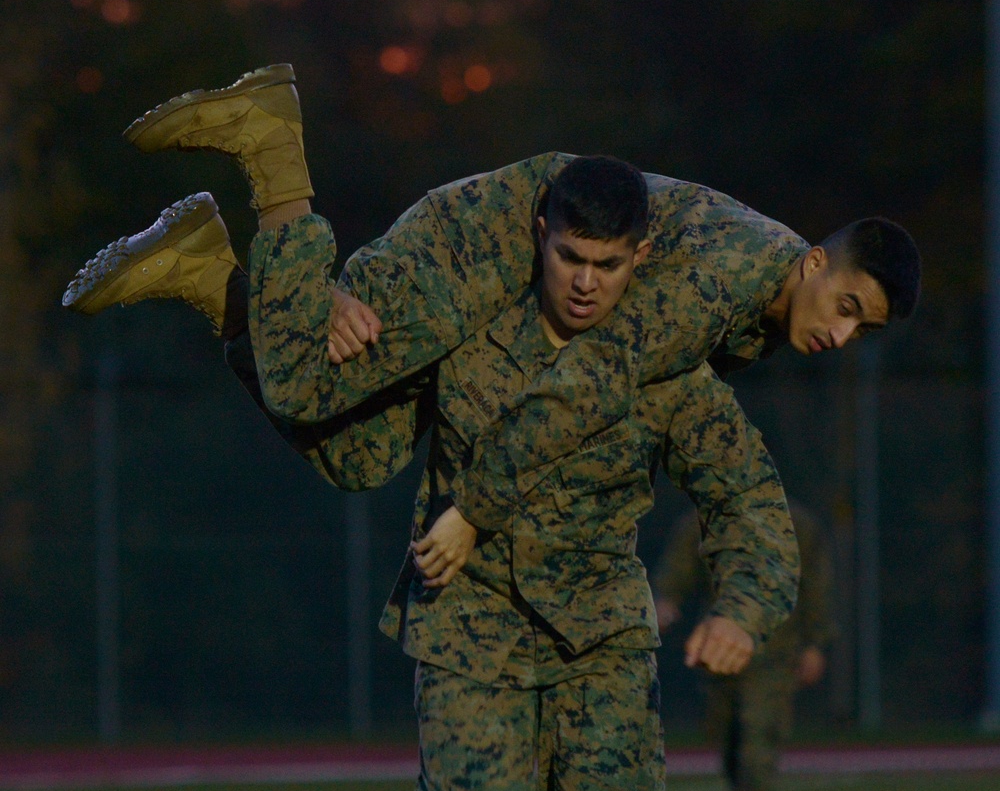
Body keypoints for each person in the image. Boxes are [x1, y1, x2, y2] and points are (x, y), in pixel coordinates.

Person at [64, 157, 799, 791]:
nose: (586, 282)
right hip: (469, 617)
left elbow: (746, 494)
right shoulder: (463, 317)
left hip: (600, 637)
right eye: (572, 256)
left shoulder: (658, 360)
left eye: (611, 266)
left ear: (641, 259)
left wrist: (742, 607)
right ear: (539, 233)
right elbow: (343, 405)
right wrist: (323, 302)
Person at [62, 63, 921, 566]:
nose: (840, 336)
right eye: (846, 306)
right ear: (815, 260)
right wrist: (478, 511)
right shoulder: (728, 282)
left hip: (523, 312)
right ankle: (272, 147)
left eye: (862, 330)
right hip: (496, 247)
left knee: (358, 457)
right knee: (301, 376)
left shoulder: (768, 312)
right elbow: (590, 383)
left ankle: (215, 278)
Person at [654, 500, 837, 791]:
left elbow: (816, 585)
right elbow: (677, 570)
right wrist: (666, 599)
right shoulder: (701, 523)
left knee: (759, 727)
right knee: (726, 733)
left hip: (775, 647)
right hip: (720, 648)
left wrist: (815, 643)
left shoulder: (797, 525)